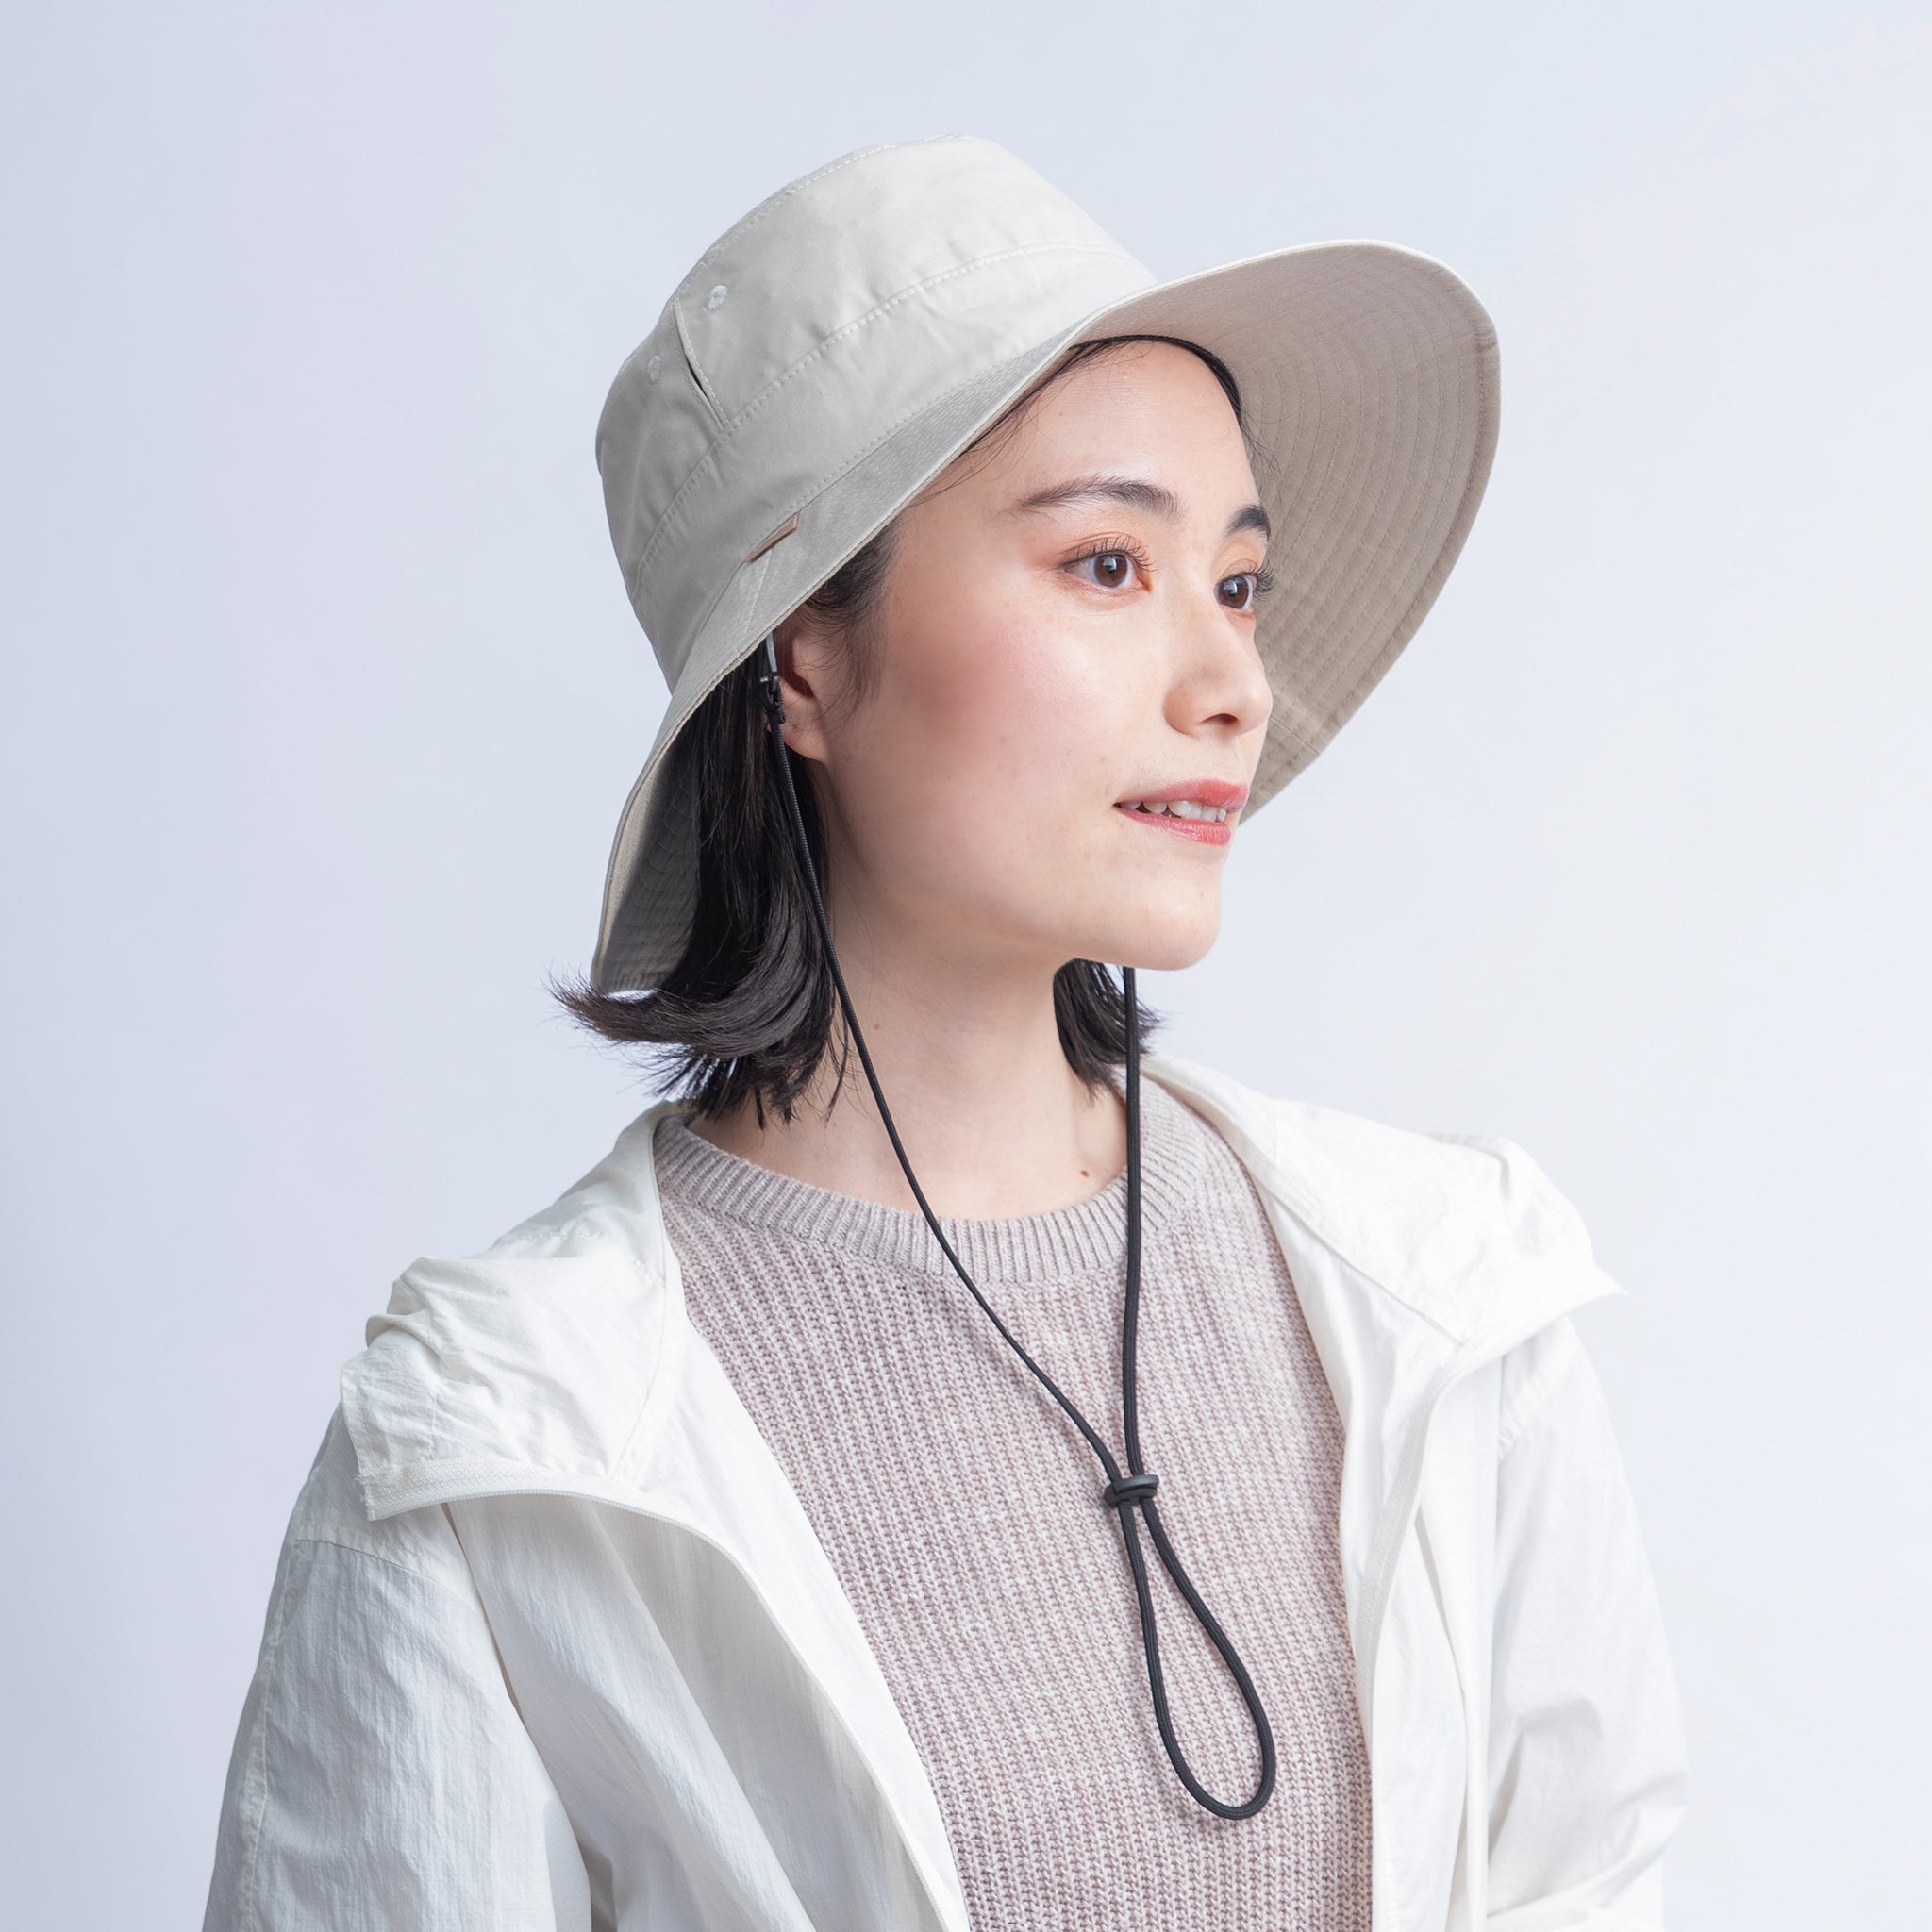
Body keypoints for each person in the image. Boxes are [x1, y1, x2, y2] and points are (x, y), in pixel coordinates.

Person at [203, 136, 1688, 1932]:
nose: (1232, 683)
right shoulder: (501, 1447)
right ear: (801, 661)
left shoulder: (1446, 1299)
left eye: (1236, 583)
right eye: (1106, 566)